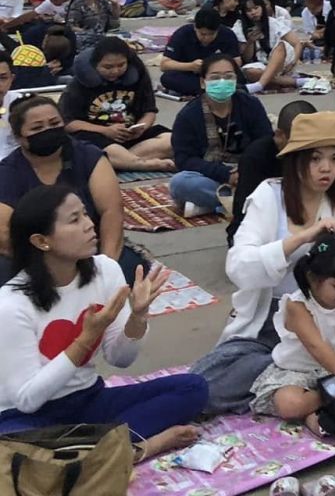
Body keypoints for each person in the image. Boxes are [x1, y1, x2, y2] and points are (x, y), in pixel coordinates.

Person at [196, 110, 335, 413]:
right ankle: (329, 385)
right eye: (315, 159)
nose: (326, 168)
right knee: (206, 385)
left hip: (332, 318)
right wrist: (300, 239)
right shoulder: (269, 196)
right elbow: (238, 266)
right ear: (295, 160)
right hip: (273, 323)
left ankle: (315, 383)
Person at [0, 185, 206, 456]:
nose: (89, 224)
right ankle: (135, 446)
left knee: (193, 388)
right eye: (74, 220)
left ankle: (86, 454)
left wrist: (137, 316)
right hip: (28, 417)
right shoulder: (11, 304)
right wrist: (85, 340)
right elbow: (27, 400)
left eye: (86, 214)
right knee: (15, 448)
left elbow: (120, 359)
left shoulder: (105, 270)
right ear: (41, 241)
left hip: (89, 400)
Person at [248, 230, 335, 430]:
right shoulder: (297, 305)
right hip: (299, 371)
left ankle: (326, 405)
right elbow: (318, 348)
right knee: (290, 404)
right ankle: (332, 399)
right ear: (313, 278)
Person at [0, 95, 138, 283]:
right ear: (19, 137)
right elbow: (4, 233)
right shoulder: (8, 172)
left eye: (54, 123)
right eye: (37, 128)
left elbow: (111, 212)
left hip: (90, 247)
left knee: (130, 271)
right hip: (34, 255)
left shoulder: (88, 156)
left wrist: (107, 265)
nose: (48, 130)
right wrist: (54, 270)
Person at [169, 54, 272, 217]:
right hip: (212, 176)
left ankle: (219, 204)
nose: (222, 82)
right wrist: (226, 174)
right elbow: (184, 159)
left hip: (250, 172)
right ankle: (240, 202)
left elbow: (266, 143)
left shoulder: (250, 105)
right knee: (180, 183)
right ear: (203, 82)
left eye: (229, 77)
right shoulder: (189, 115)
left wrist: (246, 170)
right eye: (215, 77)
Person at [59, 37, 173, 172]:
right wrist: (106, 131)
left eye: (121, 65)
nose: (115, 71)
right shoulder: (78, 85)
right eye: (108, 67)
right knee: (90, 148)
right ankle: (141, 164)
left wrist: (141, 127)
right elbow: (68, 123)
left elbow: (150, 111)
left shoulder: (139, 77)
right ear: (95, 64)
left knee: (173, 140)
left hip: (129, 136)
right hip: (96, 136)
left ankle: (121, 161)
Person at [225, 100, 316, 247]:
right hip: (267, 224)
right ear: (279, 135)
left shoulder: (323, 156)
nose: (304, 150)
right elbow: (245, 211)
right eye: (297, 142)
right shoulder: (256, 157)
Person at [158, 5, 242, 99]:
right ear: (195, 27)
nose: (207, 38)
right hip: (190, 75)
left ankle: (210, 90)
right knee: (167, 78)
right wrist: (190, 66)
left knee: (238, 77)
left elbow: (237, 62)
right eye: (203, 34)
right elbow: (165, 65)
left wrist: (216, 68)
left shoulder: (227, 35)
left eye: (211, 34)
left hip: (218, 76)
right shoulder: (182, 34)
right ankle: (214, 90)